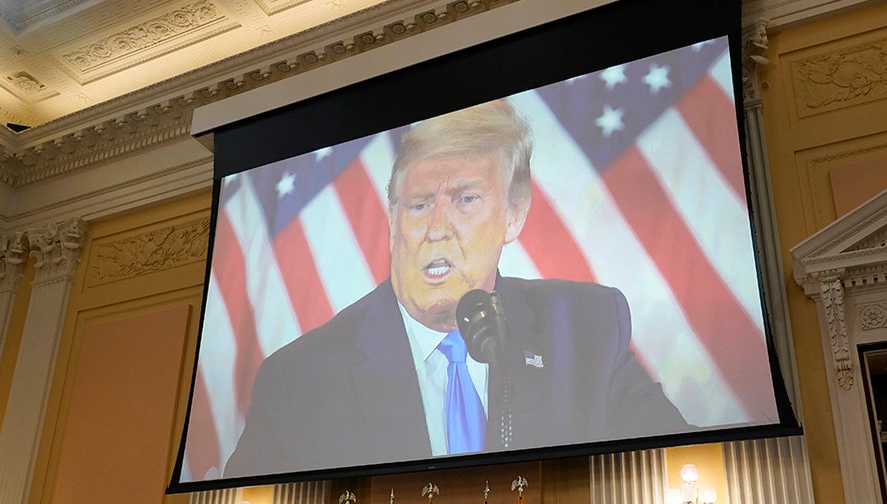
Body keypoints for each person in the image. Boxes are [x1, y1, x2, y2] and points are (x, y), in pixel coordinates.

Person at [224, 99, 691, 477]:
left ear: (514, 214)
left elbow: (670, 457)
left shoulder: (586, 327)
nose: (437, 229)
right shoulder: (299, 378)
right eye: (420, 204)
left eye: (465, 200)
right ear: (392, 220)